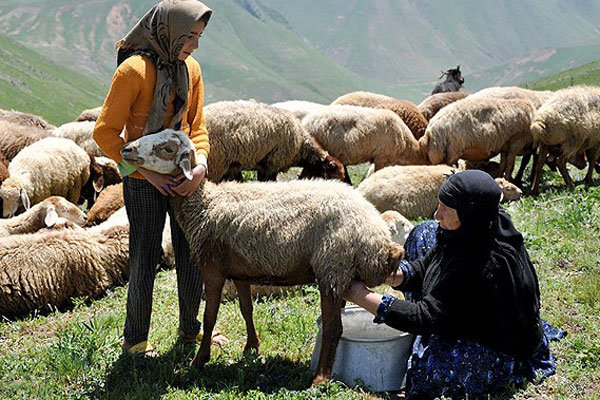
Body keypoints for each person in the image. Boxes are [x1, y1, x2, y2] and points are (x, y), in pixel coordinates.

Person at [344, 170, 563, 400]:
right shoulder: (474, 228)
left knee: (433, 372)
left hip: (499, 344)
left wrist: (358, 294)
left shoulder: (480, 264)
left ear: (469, 215)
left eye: (446, 210)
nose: (437, 214)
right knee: (424, 232)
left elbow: (425, 316)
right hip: (463, 301)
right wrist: (383, 274)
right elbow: (426, 265)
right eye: (439, 205)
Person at [93, 0, 226, 355]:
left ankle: (190, 331)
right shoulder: (133, 72)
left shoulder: (192, 70)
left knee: (192, 256)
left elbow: (197, 128)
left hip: (186, 178)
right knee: (144, 258)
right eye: (190, 36)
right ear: (170, 32)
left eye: (199, 37)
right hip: (142, 180)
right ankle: (135, 344)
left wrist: (199, 168)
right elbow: (105, 133)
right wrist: (147, 173)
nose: (195, 45)